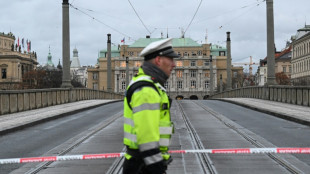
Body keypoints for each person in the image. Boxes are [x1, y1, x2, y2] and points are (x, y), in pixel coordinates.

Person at [123, 38, 178, 174]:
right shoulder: (146, 90)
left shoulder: (152, 86)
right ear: (158, 60)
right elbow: (147, 140)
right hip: (143, 166)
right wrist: (157, 170)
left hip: (144, 163)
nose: (174, 64)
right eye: (170, 59)